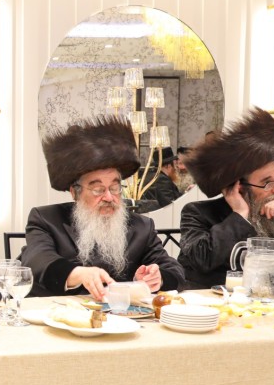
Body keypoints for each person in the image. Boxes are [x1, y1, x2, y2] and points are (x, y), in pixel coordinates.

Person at [19, 116, 184, 300]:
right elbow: (37, 260)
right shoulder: (46, 219)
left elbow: (174, 269)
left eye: (114, 188)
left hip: (119, 315)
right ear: (75, 192)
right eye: (98, 190)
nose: (108, 197)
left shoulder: (142, 227)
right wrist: (78, 274)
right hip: (57, 312)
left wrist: (158, 278)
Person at [179, 108, 274, 287]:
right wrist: (239, 215)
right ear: (239, 188)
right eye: (267, 183)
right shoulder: (198, 213)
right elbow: (202, 260)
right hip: (209, 301)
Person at [136, 147, 183, 212]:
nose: (176, 168)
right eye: (175, 165)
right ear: (168, 166)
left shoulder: (152, 176)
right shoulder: (162, 180)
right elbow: (170, 205)